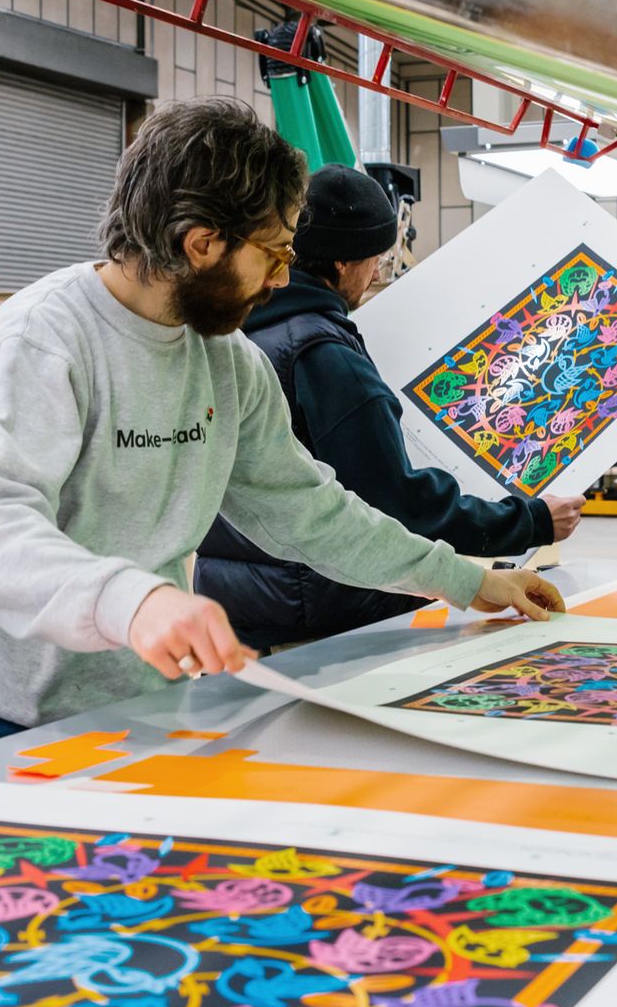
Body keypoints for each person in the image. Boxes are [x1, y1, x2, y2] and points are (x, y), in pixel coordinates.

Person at [0, 98, 562, 768]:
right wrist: (136, 600)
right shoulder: (43, 342)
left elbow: (312, 513)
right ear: (202, 242)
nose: (281, 278)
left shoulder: (228, 363)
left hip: (135, 714)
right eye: (272, 253)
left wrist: (464, 579)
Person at [198, 166, 581, 648]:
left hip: (235, 609)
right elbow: (396, 501)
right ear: (340, 264)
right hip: (325, 615)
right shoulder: (324, 354)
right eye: (373, 258)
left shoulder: (235, 336)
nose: (377, 271)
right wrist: (530, 520)